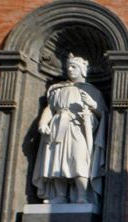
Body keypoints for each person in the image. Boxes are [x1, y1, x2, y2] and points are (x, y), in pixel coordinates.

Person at [33, 53, 106, 206]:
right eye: (69, 67)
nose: (70, 70)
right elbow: (50, 109)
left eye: (74, 67)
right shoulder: (58, 90)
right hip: (57, 128)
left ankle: (82, 196)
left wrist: (92, 105)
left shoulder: (92, 91)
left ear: (82, 70)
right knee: (57, 162)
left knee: (80, 160)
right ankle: (60, 196)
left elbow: (103, 114)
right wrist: (42, 123)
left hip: (78, 129)